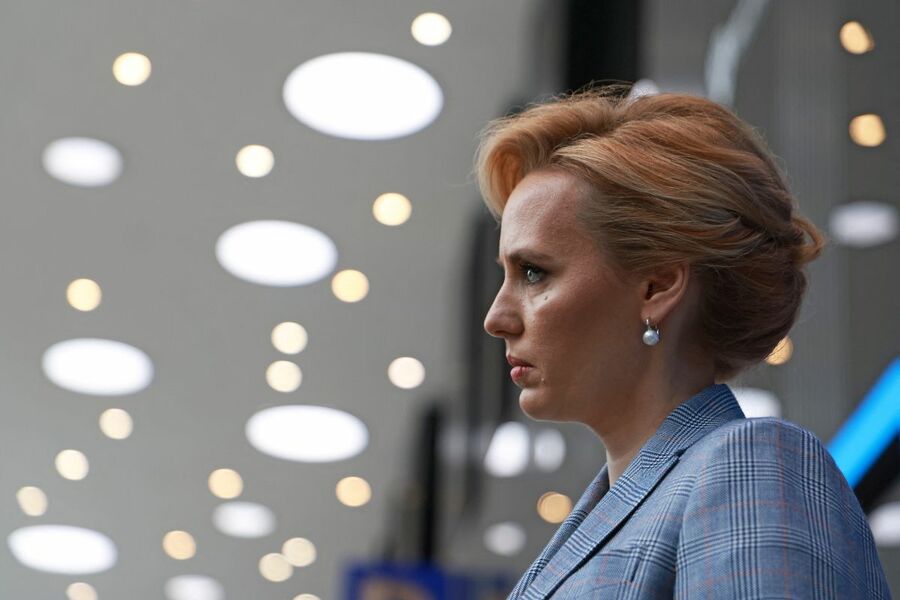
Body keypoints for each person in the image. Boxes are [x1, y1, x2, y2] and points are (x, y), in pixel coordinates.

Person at [476, 87, 891, 599]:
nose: (496, 318)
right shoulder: (627, 507)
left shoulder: (748, 467)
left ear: (658, 286)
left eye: (534, 272)